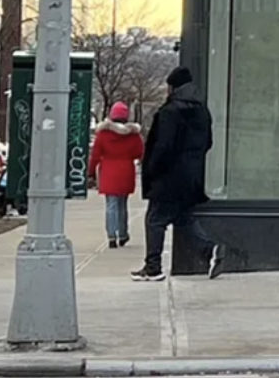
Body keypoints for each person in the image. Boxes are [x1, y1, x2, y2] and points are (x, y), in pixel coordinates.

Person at [132, 67, 223, 282]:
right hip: (191, 177)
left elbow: (163, 146)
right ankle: (211, 250)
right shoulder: (202, 111)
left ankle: (153, 267)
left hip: (168, 178)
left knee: (155, 220)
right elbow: (208, 143)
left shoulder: (170, 112)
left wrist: (152, 169)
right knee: (183, 219)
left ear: (173, 87)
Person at [88, 102, 144, 248]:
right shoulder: (133, 135)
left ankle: (111, 236)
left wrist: (91, 172)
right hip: (126, 171)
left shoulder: (103, 134)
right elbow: (139, 153)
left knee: (111, 205)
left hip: (108, 170)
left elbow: (95, 155)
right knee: (122, 205)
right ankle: (123, 234)